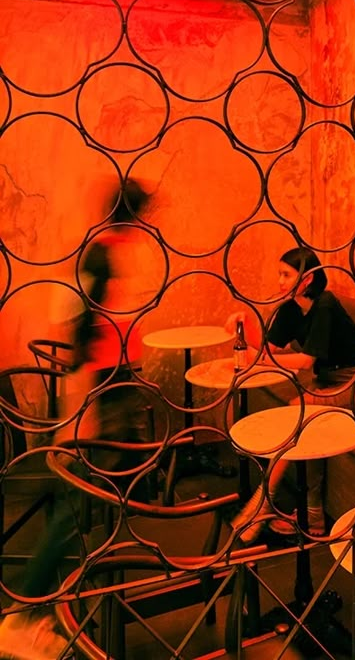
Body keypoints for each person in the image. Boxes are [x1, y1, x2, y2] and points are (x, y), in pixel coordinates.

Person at [0, 179, 153, 660]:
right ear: (136, 216)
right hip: (96, 393)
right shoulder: (100, 256)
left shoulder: (105, 251)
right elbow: (76, 322)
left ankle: (53, 607)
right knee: (75, 505)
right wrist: (82, 406)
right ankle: (24, 618)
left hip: (107, 387)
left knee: (93, 502)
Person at [229, 245, 355, 544]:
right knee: (308, 423)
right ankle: (311, 512)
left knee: (296, 411)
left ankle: (262, 504)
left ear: (307, 278)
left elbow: (306, 361)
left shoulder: (325, 304)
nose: (280, 281)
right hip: (329, 384)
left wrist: (258, 359)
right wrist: (243, 323)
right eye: (280, 274)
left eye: (286, 274)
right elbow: (268, 350)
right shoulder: (291, 308)